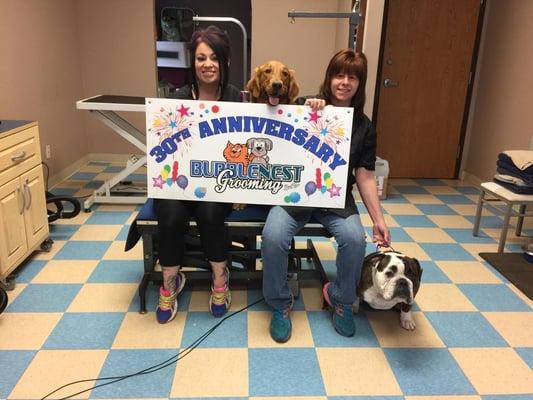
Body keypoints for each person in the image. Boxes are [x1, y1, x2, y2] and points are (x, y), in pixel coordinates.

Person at [261, 49, 391, 342]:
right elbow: (273, 115)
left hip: (336, 198)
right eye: (338, 75)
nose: (344, 82)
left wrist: (378, 219)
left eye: (352, 77)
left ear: (360, 84)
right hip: (295, 195)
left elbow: (366, 175)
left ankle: (341, 300)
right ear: (329, 78)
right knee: (272, 236)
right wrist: (307, 108)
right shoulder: (305, 106)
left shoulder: (364, 126)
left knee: (355, 240)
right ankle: (280, 304)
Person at [155, 25, 241, 324]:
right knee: (169, 213)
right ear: (193, 63)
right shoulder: (177, 99)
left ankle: (220, 277)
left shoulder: (235, 98)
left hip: (217, 185)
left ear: (225, 62)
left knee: (209, 211)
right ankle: (170, 282)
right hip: (179, 185)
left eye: (214, 58)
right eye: (201, 58)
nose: (208, 64)